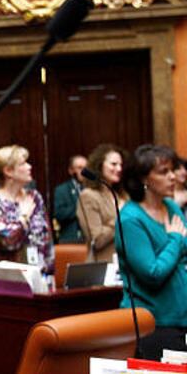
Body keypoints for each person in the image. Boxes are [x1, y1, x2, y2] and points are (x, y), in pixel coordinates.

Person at [117, 144, 187, 359]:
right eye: (164, 172)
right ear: (144, 179)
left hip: (180, 318)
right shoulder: (130, 219)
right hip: (153, 323)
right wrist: (175, 240)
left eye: (173, 169)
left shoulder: (171, 206)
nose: (173, 176)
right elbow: (153, 273)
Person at [0, 145, 54, 279]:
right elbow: (7, 242)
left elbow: (46, 238)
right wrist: (24, 216)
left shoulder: (34, 197)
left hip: (37, 274)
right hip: (5, 277)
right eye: (23, 163)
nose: (29, 167)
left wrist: (49, 272)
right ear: (8, 171)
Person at [77, 144, 125, 262]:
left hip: (126, 265)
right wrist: (121, 216)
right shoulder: (88, 196)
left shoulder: (121, 195)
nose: (119, 169)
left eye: (121, 165)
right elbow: (97, 240)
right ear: (99, 166)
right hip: (103, 267)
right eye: (114, 164)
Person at [53, 155, 87, 243]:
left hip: (90, 239)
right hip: (70, 239)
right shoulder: (62, 190)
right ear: (71, 171)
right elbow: (59, 214)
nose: (83, 171)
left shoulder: (93, 189)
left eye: (86, 168)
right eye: (79, 168)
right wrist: (81, 207)